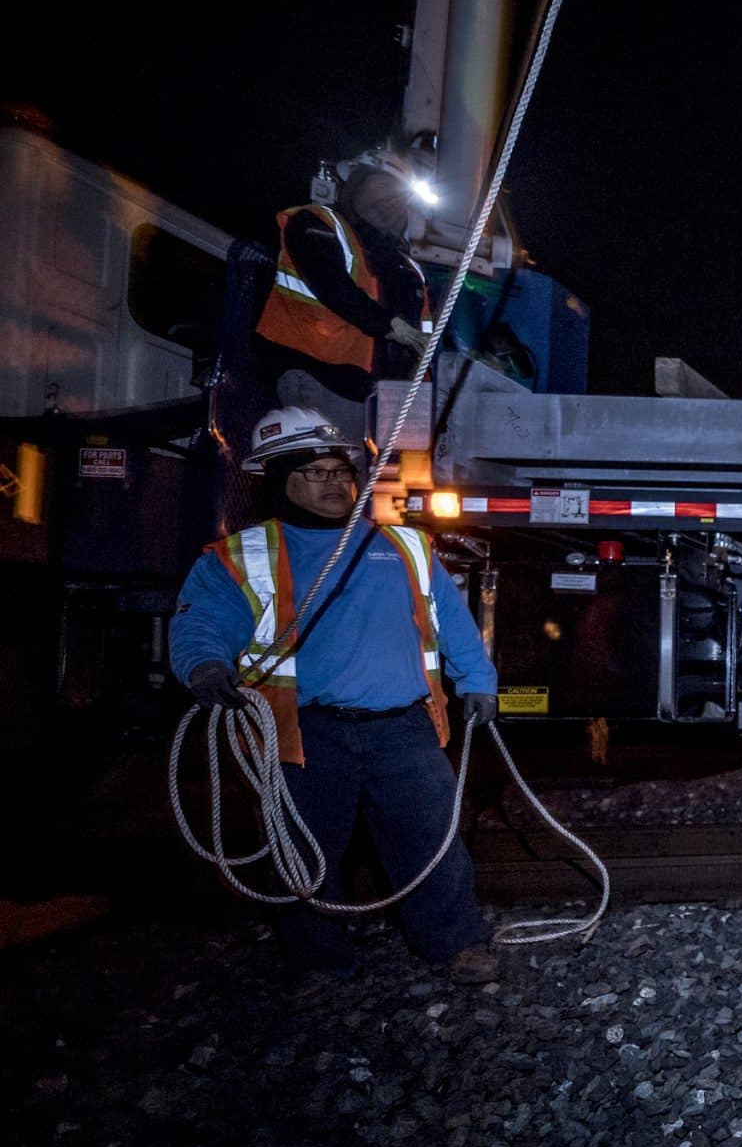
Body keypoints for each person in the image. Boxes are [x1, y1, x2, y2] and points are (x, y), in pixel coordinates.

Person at [170, 406, 502, 986]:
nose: (334, 481)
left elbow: (453, 622)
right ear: (278, 479)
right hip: (307, 734)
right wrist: (203, 668)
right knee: (302, 853)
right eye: (315, 471)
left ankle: (454, 945)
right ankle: (320, 962)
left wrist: (477, 682)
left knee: (432, 843)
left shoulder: (405, 546)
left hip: (404, 729)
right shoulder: (243, 556)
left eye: (339, 469)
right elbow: (201, 624)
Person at [251, 158, 433, 420]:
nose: (389, 202)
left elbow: (426, 336)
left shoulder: (407, 270)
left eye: (398, 197)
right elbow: (332, 286)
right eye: (382, 186)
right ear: (356, 185)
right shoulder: (317, 223)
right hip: (317, 376)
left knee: (355, 461)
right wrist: (390, 325)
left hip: (378, 397)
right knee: (328, 461)